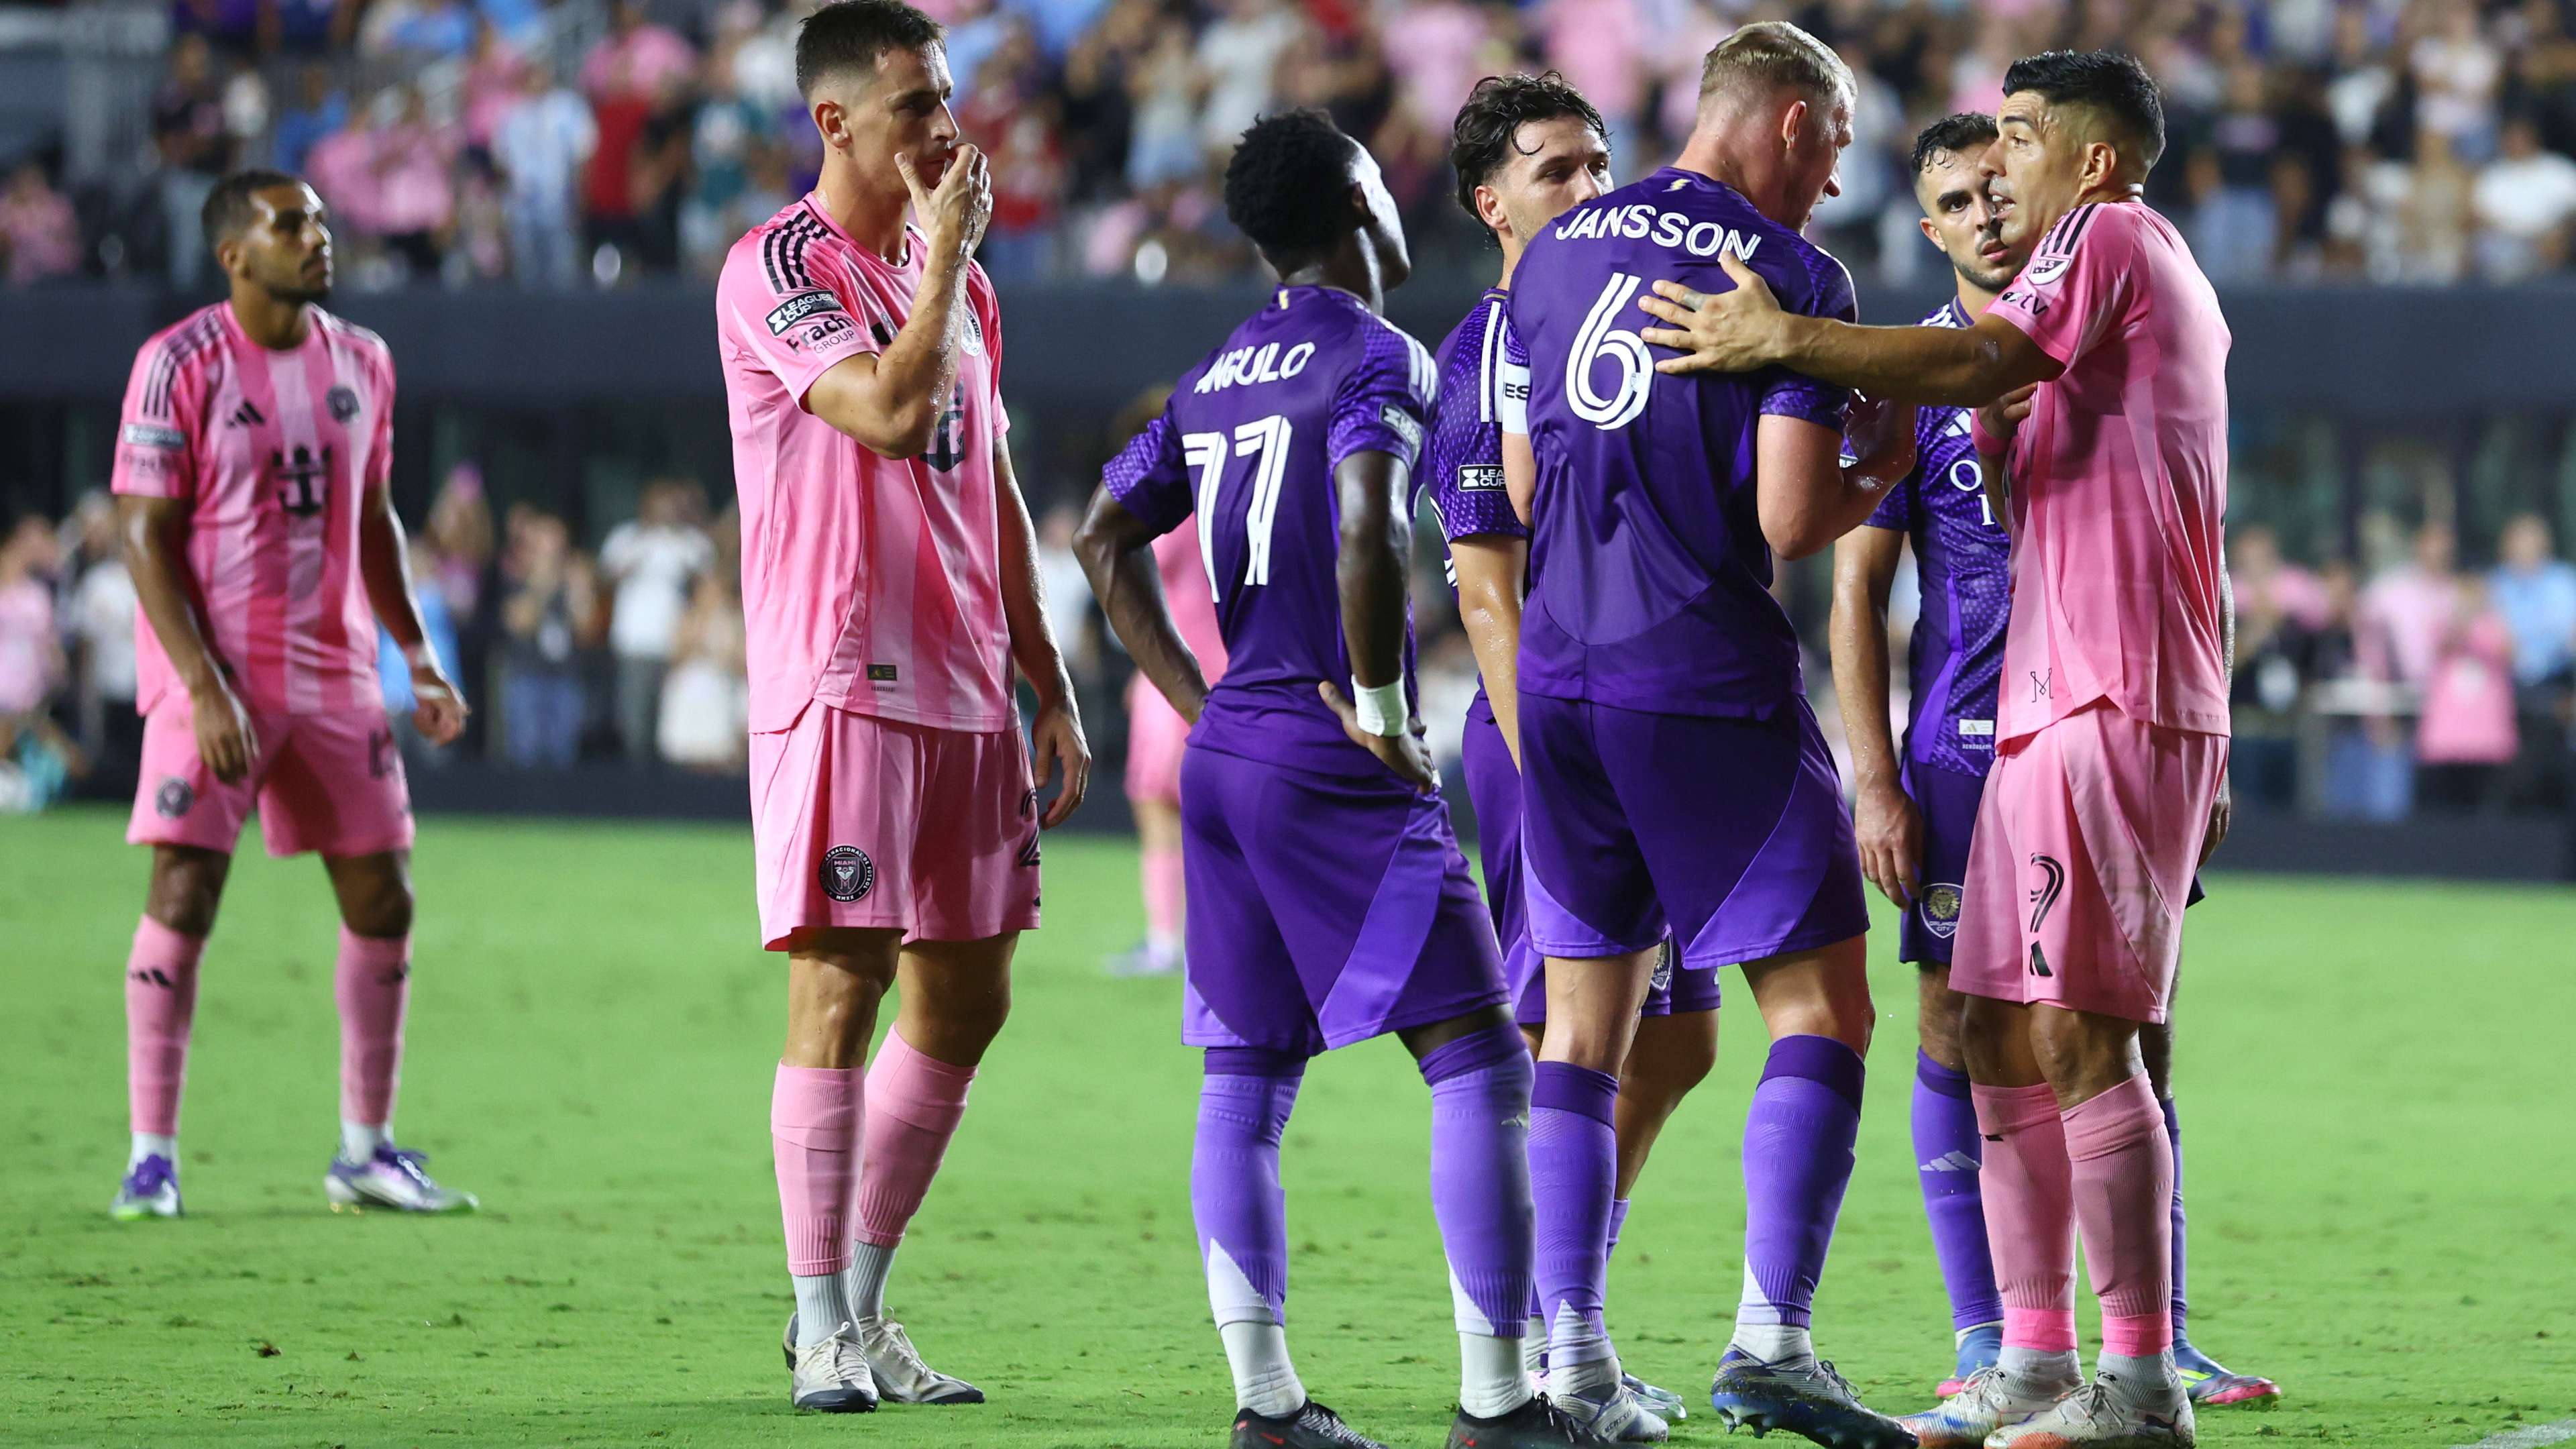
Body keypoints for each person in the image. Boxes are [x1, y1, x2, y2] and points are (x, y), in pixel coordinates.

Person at [1644, 49, 2233, 1448]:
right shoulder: (2082, 279)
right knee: (2002, 1048)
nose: (2002, 166)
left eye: (2023, 139)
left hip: (2111, 691)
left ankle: (2142, 1385)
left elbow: (1982, 358)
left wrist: (1781, 338)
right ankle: (2034, 1358)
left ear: (2091, 161)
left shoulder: (2120, 236)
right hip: (2038, 703)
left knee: (2091, 1034)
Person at [1073, 107, 1607, 1449]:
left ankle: (1267, 1408)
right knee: (1483, 1057)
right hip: (1330, 757)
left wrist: (1198, 702)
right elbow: (1371, 524)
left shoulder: (1216, 374)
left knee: (1245, 1090)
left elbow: (1098, 535)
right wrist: (1383, 709)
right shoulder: (1381, 358)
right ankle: (1500, 1404)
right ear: (1363, 209)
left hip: (1231, 756)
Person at [1495, 23, 1915, 1447]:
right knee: (1823, 1006)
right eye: (1840, 144)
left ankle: (1571, 1366)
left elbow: (1516, 468)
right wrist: (1885, 459)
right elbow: (1794, 520)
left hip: (1556, 676)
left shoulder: (1547, 254)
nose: (1839, 178)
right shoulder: (1789, 276)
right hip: (1700, 673)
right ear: (1791, 120)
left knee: (1583, 1023)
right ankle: (1772, 1342)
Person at [1829, 112, 2277, 1423]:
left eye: (1998, 181)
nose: (1985, 209)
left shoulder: (2098, 327)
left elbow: (2202, 536)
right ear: (1927, 225)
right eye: (1956, 196)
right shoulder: (1922, 373)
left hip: (2106, 719)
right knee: (1969, 1030)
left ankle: (2149, 1341)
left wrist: (2215, 728)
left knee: (2132, 1031)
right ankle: (1999, 1343)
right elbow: (1856, 591)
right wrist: (1873, 774)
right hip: (1970, 742)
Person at [712, 0, 1089, 1413]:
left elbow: (985, 481)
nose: (948, 127)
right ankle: (814, 1326)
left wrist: (1044, 676)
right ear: (836, 123)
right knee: (842, 984)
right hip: (844, 674)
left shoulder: (965, 281)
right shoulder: (776, 265)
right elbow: (882, 406)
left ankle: (865, 1306)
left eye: (948, 96)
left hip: (968, 680)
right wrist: (942, 259)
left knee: (971, 993)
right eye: (919, 104)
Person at [106, 168, 476, 1222]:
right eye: (291, 224)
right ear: (235, 253)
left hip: (334, 672)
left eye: (317, 220)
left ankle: (366, 1151)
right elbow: (143, 535)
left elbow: (374, 518)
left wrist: (417, 652)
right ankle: (151, 1158)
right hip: (213, 676)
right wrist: (204, 686)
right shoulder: (176, 362)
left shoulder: (364, 360)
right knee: (184, 896)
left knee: (384, 897)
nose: (318, 237)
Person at [1425, 70, 1693, 1440]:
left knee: (1686, 1037)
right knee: (1565, 1044)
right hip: (1552, 736)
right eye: (1555, 171)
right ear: (1492, 202)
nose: (1592, 189)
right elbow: (1485, 590)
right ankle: (1540, 1354)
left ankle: (1570, 1309)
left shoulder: (1631, 319)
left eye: (1601, 163)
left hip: (1655, 720)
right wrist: (1555, 777)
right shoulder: (1490, 351)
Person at [1104, 519, 1224, 978]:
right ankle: (1226, 939)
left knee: (1158, 806)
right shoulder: (1243, 494)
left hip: (1176, 668)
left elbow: (1133, 569)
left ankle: (1163, 942)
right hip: (1233, 665)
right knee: (1224, 813)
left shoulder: (1176, 510)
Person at [598, 478, 714, 763]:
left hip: (678, 648)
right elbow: (604, 579)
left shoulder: (692, 544)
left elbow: (711, 588)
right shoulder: (627, 537)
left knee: (673, 727)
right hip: (636, 644)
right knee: (634, 723)